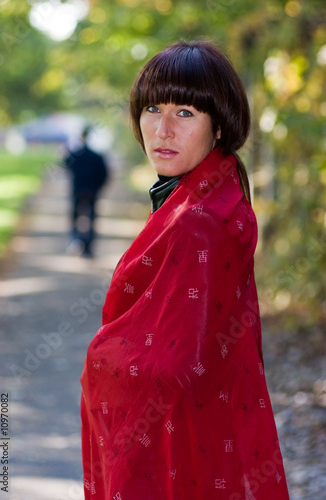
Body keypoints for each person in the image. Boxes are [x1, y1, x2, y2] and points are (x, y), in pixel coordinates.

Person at [80, 40, 290, 499]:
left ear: (219, 128)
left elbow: (172, 362)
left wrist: (99, 359)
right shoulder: (212, 190)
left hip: (177, 445)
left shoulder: (196, 221)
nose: (163, 129)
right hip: (214, 425)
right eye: (153, 108)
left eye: (186, 113)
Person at [64, 126, 109, 257]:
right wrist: (98, 187)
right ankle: (88, 248)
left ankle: (75, 242)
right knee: (90, 219)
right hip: (92, 190)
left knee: (76, 217)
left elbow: (66, 164)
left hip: (77, 189)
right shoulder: (96, 156)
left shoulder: (75, 155)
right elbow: (104, 174)